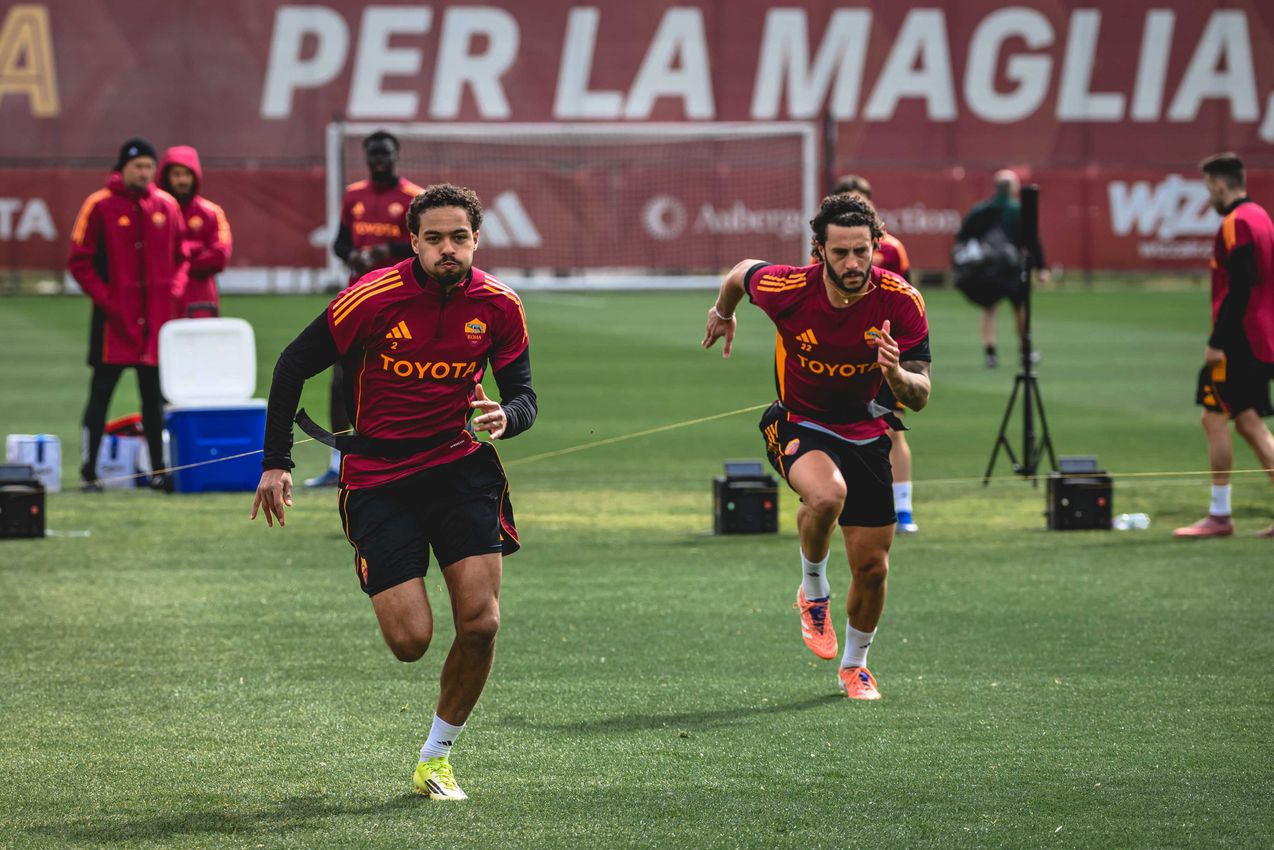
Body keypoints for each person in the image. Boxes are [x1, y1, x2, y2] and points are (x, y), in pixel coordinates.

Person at [251, 184, 537, 800]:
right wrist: (276, 464)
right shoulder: (372, 296)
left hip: (461, 469)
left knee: (482, 623)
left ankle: (436, 758)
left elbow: (524, 396)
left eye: (458, 237)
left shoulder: (500, 305)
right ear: (413, 242)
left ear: (476, 239)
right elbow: (290, 366)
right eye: (433, 238)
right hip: (379, 479)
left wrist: (506, 418)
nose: (447, 249)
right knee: (410, 643)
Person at [702, 192, 931, 700]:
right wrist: (724, 312)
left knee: (873, 568)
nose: (853, 263)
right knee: (827, 495)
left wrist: (895, 374)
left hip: (868, 430)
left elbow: (919, 397)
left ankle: (856, 666)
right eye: (841, 252)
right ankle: (813, 589)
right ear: (819, 251)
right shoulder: (787, 287)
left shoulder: (901, 301)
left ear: (877, 245)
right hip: (799, 421)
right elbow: (741, 271)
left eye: (862, 251)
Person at [67, 137, 187, 491]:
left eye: (149, 166)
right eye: (138, 166)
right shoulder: (99, 205)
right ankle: (89, 472)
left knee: (154, 400)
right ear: (122, 168)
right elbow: (79, 261)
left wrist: (174, 293)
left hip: (154, 325)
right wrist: (108, 300)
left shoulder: (166, 205)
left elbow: (182, 257)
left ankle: (158, 471)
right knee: (99, 396)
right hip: (112, 325)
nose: (144, 172)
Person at [307, 130, 425, 487]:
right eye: (373, 154)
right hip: (357, 300)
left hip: (402, 302)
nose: (378, 160)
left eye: (385, 154)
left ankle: (408, 458)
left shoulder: (414, 197)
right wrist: (353, 255)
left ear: (396, 155)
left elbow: (423, 249)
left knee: (404, 378)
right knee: (341, 378)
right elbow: (340, 242)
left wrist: (385, 250)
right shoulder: (353, 195)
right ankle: (338, 461)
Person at [1174, 153, 1274, 539]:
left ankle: (1219, 515)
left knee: (1214, 418)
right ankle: (1219, 514)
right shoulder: (1262, 217)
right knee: (1247, 422)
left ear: (1218, 184)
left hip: (1240, 341)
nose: (1209, 196)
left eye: (1208, 188)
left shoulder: (1237, 223)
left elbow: (1241, 285)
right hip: (1259, 336)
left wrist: (1218, 342)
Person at [828, 175, 918, 533]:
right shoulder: (826, 249)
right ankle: (838, 505)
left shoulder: (893, 249)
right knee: (834, 429)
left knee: (892, 430)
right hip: (840, 360)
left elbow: (909, 299)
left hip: (882, 358)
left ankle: (904, 510)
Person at [953, 169, 1047, 368]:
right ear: (1012, 188)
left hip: (988, 270)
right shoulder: (1017, 210)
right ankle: (1025, 352)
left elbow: (963, 236)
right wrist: (1041, 267)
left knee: (989, 309)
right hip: (1012, 269)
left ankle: (990, 353)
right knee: (1020, 309)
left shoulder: (982, 209)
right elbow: (1032, 240)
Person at [158, 145, 232, 317]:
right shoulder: (154, 212)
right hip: (163, 302)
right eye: (176, 174)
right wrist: (196, 248)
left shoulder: (211, 212)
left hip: (201, 301)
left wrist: (178, 257)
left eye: (187, 174)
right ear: (166, 176)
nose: (182, 180)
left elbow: (219, 257)